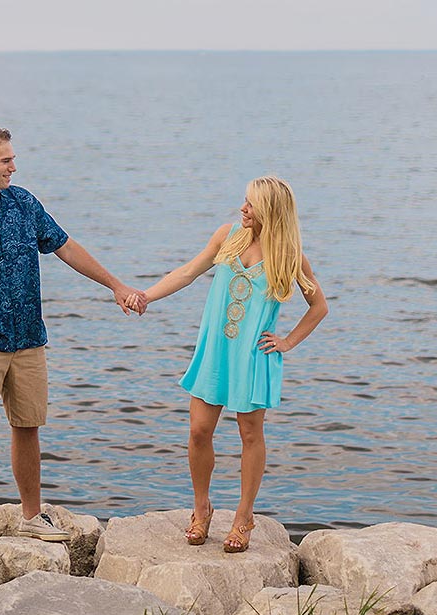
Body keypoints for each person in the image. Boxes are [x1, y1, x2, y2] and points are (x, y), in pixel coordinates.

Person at [0, 126, 146, 548]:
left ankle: (32, 516)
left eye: (13, 159)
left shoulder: (23, 203)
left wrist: (115, 285)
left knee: (28, 427)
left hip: (28, 338)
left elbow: (66, 246)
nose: (13, 167)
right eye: (5, 160)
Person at [127, 176, 327, 552]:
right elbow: (187, 272)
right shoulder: (227, 236)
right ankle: (201, 507)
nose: (243, 208)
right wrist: (146, 296)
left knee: (250, 436)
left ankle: (243, 516)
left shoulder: (290, 255)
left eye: (250, 204)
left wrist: (286, 342)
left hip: (252, 357)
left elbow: (319, 307)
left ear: (270, 210)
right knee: (199, 431)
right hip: (216, 351)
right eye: (244, 201)